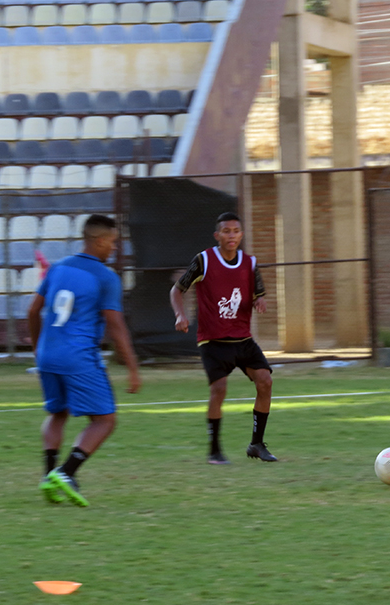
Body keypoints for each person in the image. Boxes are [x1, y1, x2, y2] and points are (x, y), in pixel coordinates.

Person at [28, 214, 142, 507]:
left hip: (48, 354)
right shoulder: (106, 277)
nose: (115, 248)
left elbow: (32, 311)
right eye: (113, 242)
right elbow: (116, 326)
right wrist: (133, 368)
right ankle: (66, 473)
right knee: (105, 420)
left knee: (58, 413)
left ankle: (49, 475)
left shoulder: (58, 267)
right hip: (78, 357)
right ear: (100, 241)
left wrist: (39, 349)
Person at [170, 212, 277, 465]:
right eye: (226, 231)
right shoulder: (204, 260)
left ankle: (257, 444)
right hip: (213, 340)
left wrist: (260, 300)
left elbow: (258, 293)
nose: (231, 235)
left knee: (265, 381)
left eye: (236, 231)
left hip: (242, 339)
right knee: (219, 390)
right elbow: (177, 290)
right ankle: (214, 451)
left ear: (241, 235)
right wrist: (180, 314)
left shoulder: (250, 263)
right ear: (217, 235)